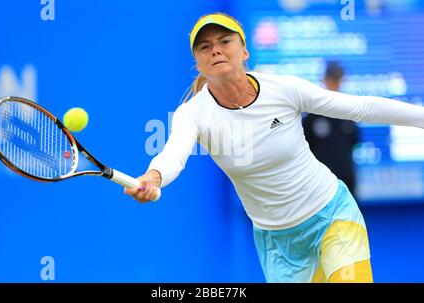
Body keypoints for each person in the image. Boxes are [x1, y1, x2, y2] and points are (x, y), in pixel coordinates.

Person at [124, 13, 424, 283]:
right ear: (198, 63)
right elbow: (173, 155)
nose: (215, 49)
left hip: (332, 215)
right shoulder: (192, 114)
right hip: (278, 244)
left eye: (224, 41)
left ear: (244, 51)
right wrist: (153, 177)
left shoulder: (284, 89)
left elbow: (362, 108)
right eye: (204, 46)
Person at [302, 61, 358, 195]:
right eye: (332, 80)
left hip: (346, 181)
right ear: (325, 80)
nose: (335, 85)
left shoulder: (347, 111)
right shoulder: (313, 113)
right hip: (320, 184)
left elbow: (354, 141)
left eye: (338, 80)